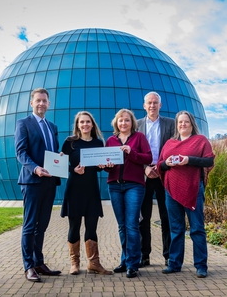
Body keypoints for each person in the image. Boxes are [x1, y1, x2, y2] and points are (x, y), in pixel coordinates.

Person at [157, 111, 215, 278]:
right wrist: (166, 164)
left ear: (192, 124)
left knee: (197, 228)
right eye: (180, 122)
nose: (183, 124)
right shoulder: (169, 143)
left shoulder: (201, 141)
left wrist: (189, 159)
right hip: (171, 191)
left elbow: (209, 161)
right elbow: (160, 164)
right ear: (177, 125)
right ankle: (174, 263)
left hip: (194, 189)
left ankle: (201, 265)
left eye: (186, 122)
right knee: (176, 228)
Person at [15, 88, 62, 282]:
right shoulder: (23, 124)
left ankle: (39, 262)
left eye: (44, 101)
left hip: (50, 182)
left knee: (41, 225)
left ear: (49, 104)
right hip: (32, 181)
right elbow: (21, 152)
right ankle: (28, 266)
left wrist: (59, 158)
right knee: (29, 225)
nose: (41, 103)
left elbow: (53, 151)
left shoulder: (52, 126)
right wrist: (35, 169)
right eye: (38, 101)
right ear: (31, 103)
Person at [61, 111, 113, 276]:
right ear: (77, 125)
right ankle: (74, 264)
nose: (85, 125)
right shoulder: (70, 142)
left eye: (87, 122)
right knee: (74, 226)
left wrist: (104, 166)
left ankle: (93, 263)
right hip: (74, 188)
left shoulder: (99, 143)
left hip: (91, 189)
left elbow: (99, 166)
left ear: (92, 124)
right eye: (81, 122)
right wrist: (73, 170)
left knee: (92, 227)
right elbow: (61, 164)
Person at [104, 109, 152, 278]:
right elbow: (105, 162)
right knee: (122, 225)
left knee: (132, 224)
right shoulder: (110, 140)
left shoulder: (139, 138)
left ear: (132, 122)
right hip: (114, 186)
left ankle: (133, 264)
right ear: (116, 123)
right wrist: (106, 166)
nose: (123, 123)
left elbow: (148, 158)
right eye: (120, 120)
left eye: (127, 120)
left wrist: (132, 153)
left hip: (134, 186)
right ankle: (124, 260)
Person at [137, 91, 175, 268]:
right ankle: (144, 255)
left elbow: (174, 148)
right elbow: (133, 151)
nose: (152, 105)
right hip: (143, 174)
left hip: (163, 174)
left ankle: (168, 255)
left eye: (155, 103)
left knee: (166, 216)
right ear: (144, 106)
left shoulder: (171, 124)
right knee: (143, 217)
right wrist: (145, 168)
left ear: (160, 105)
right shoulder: (136, 125)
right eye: (149, 103)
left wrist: (160, 167)